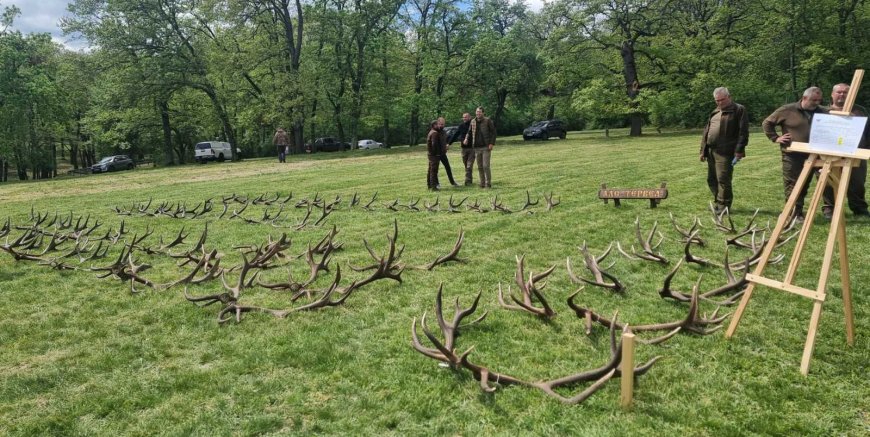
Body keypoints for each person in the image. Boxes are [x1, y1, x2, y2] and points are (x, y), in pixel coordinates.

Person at [762, 87, 827, 222]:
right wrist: (775, 138)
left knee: (812, 182)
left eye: (819, 100)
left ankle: (825, 210)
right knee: (793, 184)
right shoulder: (787, 110)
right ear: (804, 98)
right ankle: (794, 213)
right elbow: (767, 123)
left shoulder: (822, 111)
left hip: (816, 154)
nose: (816, 103)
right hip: (793, 154)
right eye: (813, 100)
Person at [821, 83, 870, 219]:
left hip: (856, 152)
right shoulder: (823, 111)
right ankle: (829, 209)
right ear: (832, 94)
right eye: (839, 92)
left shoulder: (860, 111)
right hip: (829, 153)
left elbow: (868, 130)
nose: (842, 95)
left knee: (857, 182)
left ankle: (859, 209)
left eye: (845, 92)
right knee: (828, 182)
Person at [700, 87, 749, 213]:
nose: (719, 103)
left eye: (722, 100)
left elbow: (743, 132)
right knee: (712, 179)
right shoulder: (715, 111)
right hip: (711, 150)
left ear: (729, 97)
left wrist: (739, 151)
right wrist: (703, 151)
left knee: (723, 178)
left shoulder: (738, 109)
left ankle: (724, 206)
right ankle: (718, 202)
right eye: (717, 101)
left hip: (726, 151)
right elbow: (706, 131)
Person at [464, 107, 496, 188]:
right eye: (477, 112)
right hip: (477, 147)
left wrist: (491, 143)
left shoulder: (487, 120)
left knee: (486, 166)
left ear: (483, 113)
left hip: (486, 146)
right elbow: (469, 131)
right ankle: (482, 183)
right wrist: (466, 138)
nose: (478, 113)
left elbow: (493, 132)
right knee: (480, 166)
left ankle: (488, 183)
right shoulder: (473, 121)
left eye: (480, 112)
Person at [449, 112, 474, 185]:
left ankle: (468, 181)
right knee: (466, 165)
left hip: (472, 148)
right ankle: (470, 179)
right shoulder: (461, 126)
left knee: (469, 166)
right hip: (464, 149)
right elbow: (456, 135)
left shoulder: (473, 125)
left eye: (466, 117)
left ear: (470, 117)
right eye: (463, 117)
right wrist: (449, 143)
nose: (464, 118)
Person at [436, 117, 459, 187]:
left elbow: (445, 141)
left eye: (443, 124)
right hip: (436, 154)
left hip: (443, 153)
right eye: (440, 124)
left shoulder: (443, 132)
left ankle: (452, 182)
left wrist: (446, 145)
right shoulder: (435, 132)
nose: (442, 126)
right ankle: (437, 183)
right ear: (437, 123)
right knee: (435, 169)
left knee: (448, 167)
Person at [426, 120, 442, 191]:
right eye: (438, 124)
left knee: (430, 170)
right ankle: (433, 187)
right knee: (434, 171)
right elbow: (434, 144)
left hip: (430, 154)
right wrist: (437, 153)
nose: (439, 126)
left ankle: (429, 185)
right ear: (434, 125)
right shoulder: (435, 133)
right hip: (434, 155)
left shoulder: (431, 132)